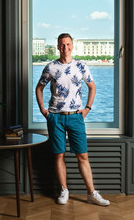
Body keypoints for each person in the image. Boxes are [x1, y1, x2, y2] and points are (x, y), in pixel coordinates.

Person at [36, 33, 110, 206]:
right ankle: (64, 190)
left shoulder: (81, 66)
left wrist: (87, 109)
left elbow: (92, 87)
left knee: (82, 155)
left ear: (72, 45)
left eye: (68, 44)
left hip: (76, 117)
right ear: (57, 46)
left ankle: (92, 193)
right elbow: (39, 88)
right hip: (55, 117)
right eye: (62, 45)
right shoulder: (50, 67)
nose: (65, 48)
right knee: (58, 155)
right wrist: (43, 110)